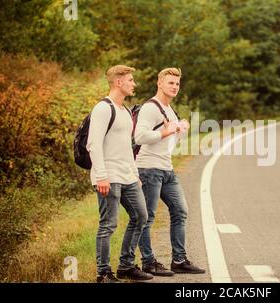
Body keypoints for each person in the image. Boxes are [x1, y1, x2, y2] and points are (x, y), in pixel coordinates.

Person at [135, 67, 205, 276]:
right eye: (170, 83)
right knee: (148, 217)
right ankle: (148, 262)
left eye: (177, 84)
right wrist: (168, 130)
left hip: (166, 169)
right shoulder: (150, 108)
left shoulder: (170, 110)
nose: (174, 87)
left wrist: (181, 128)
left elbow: (169, 141)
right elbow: (140, 137)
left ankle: (179, 260)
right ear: (159, 83)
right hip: (148, 169)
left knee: (180, 210)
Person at [87, 65, 153, 283]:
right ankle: (103, 273)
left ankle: (126, 265)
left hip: (127, 176)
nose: (134, 84)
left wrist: (135, 175)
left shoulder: (125, 111)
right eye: (131, 80)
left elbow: (127, 147)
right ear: (118, 82)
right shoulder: (103, 108)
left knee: (141, 216)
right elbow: (93, 144)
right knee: (108, 224)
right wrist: (101, 175)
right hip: (109, 177)